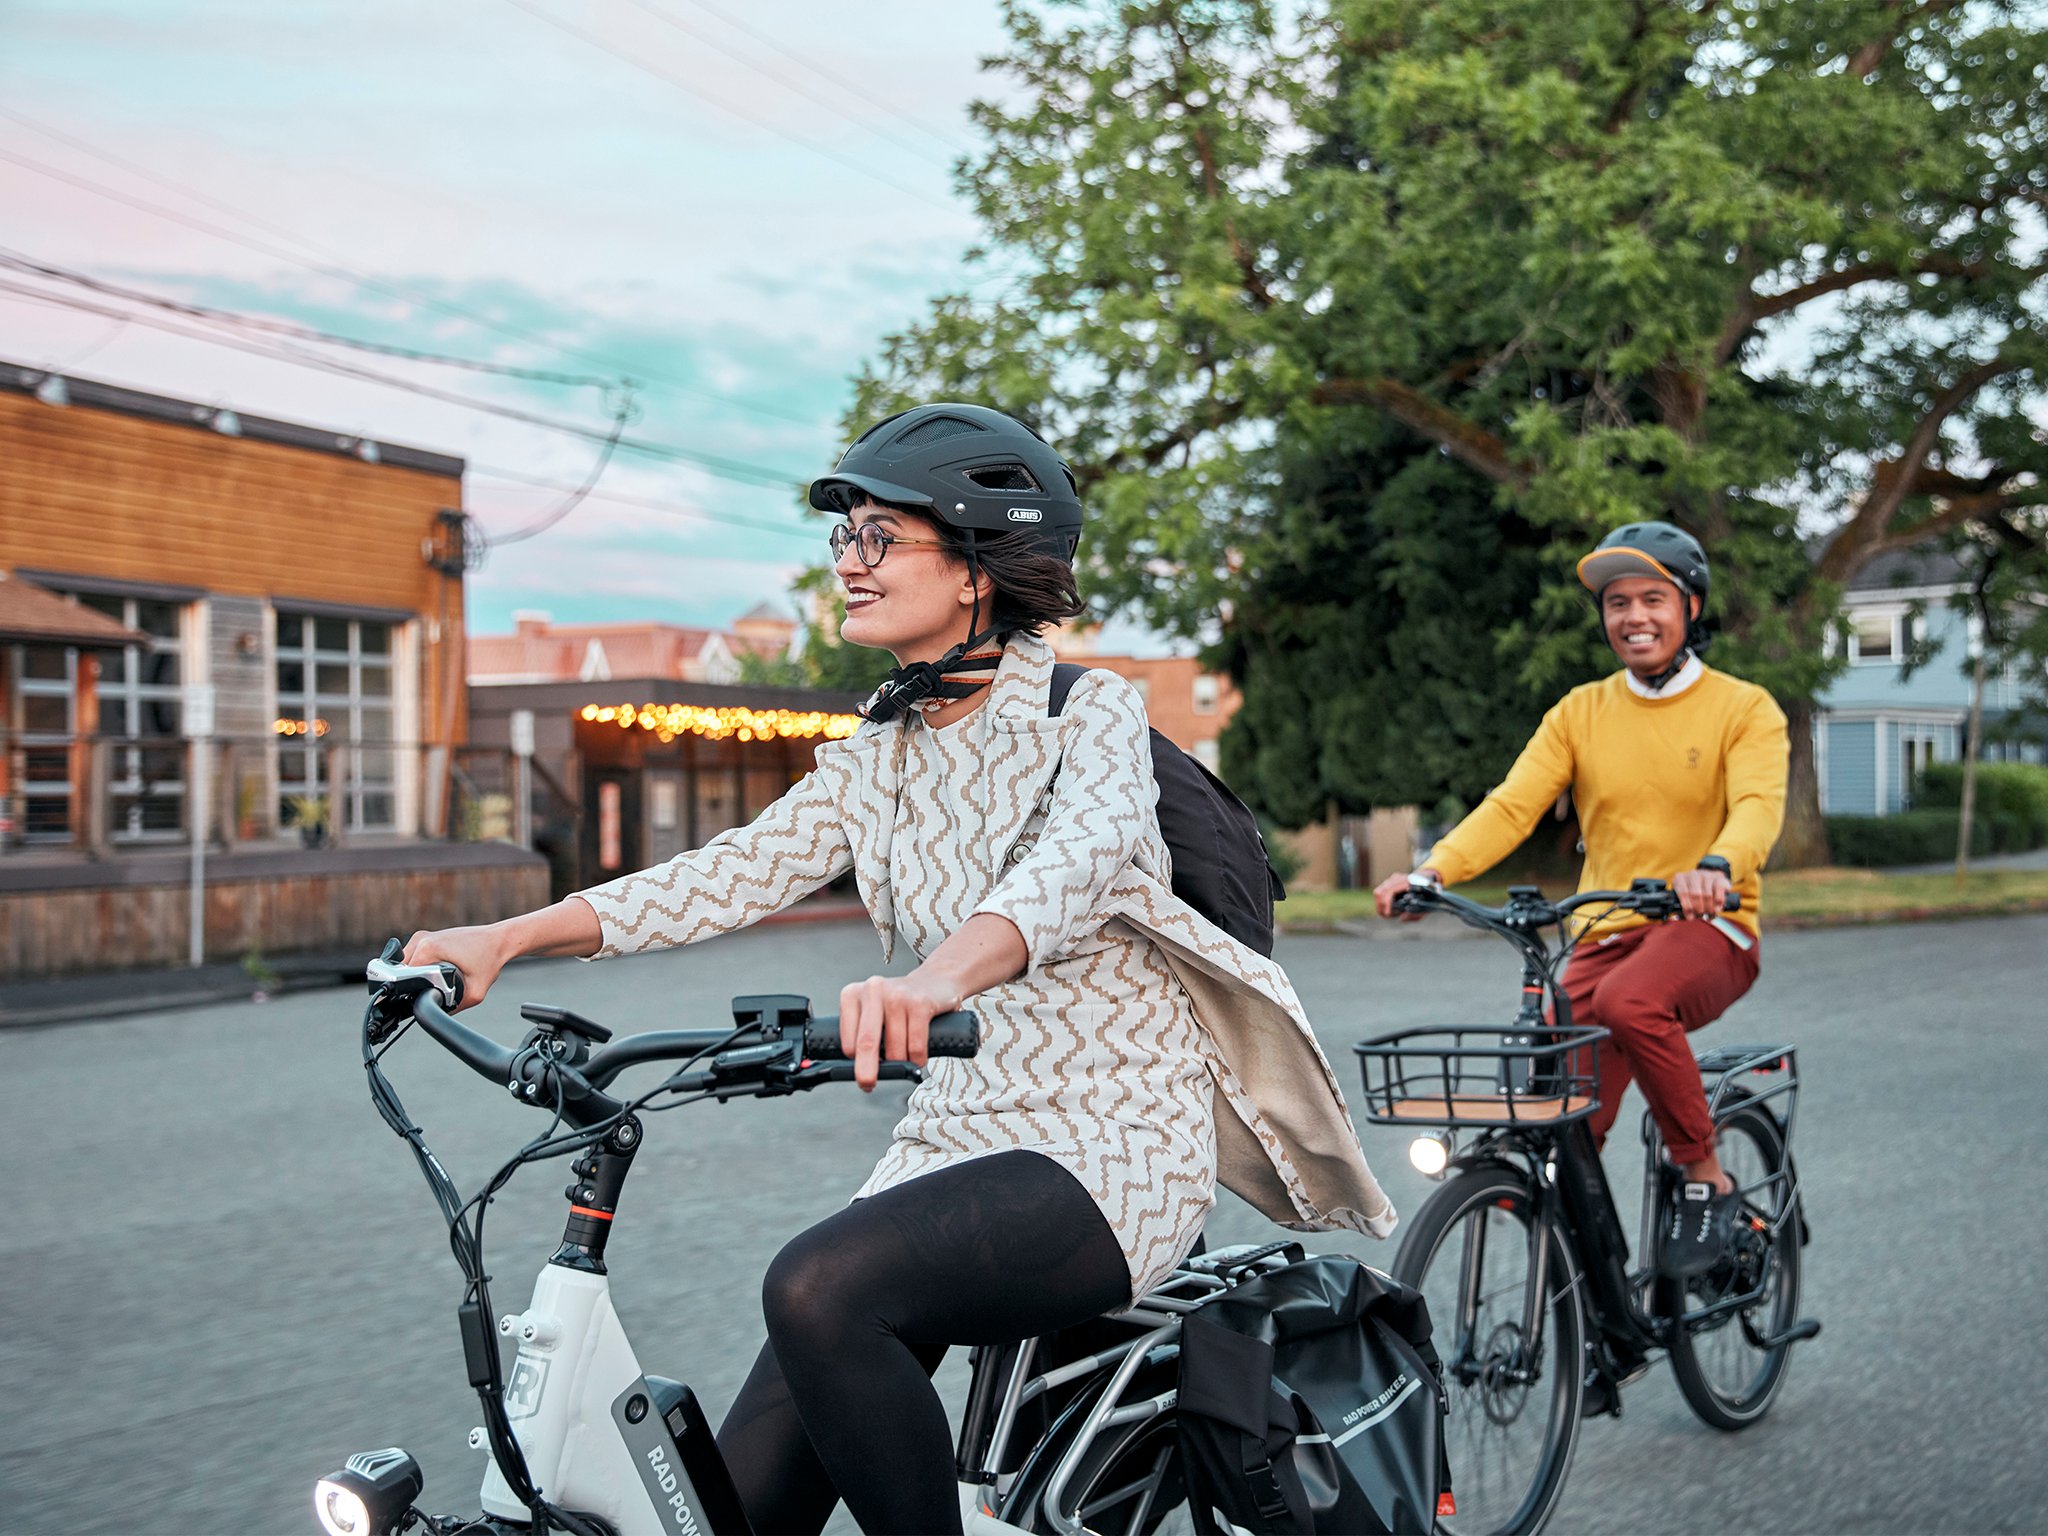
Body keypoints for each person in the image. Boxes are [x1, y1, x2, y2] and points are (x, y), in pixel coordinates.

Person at [404, 402, 1393, 1535]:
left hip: (1111, 1143)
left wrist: (935, 982)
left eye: (880, 536)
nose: (848, 564)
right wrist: (504, 938)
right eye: (843, 538)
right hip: (956, 1135)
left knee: (818, 1286)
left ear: (975, 568)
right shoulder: (877, 754)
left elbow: (1066, 870)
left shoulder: (1094, 716)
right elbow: (722, 874)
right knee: (743, 1501)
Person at [1373, 521, 1788, 1277]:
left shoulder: (1744, 708)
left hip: (1709, 926)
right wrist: (1433, 872)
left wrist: (1717, 867)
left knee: (1633, 1002)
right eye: (1617, 602)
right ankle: (1594, 1302)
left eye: (1653, 599)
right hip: (1604, 933)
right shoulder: (1581, 712)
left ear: (1691, 607)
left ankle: (1704, 1173)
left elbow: (1758, 803)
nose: (1634, 616)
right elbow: (1512, 805)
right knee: (1558, 1086)